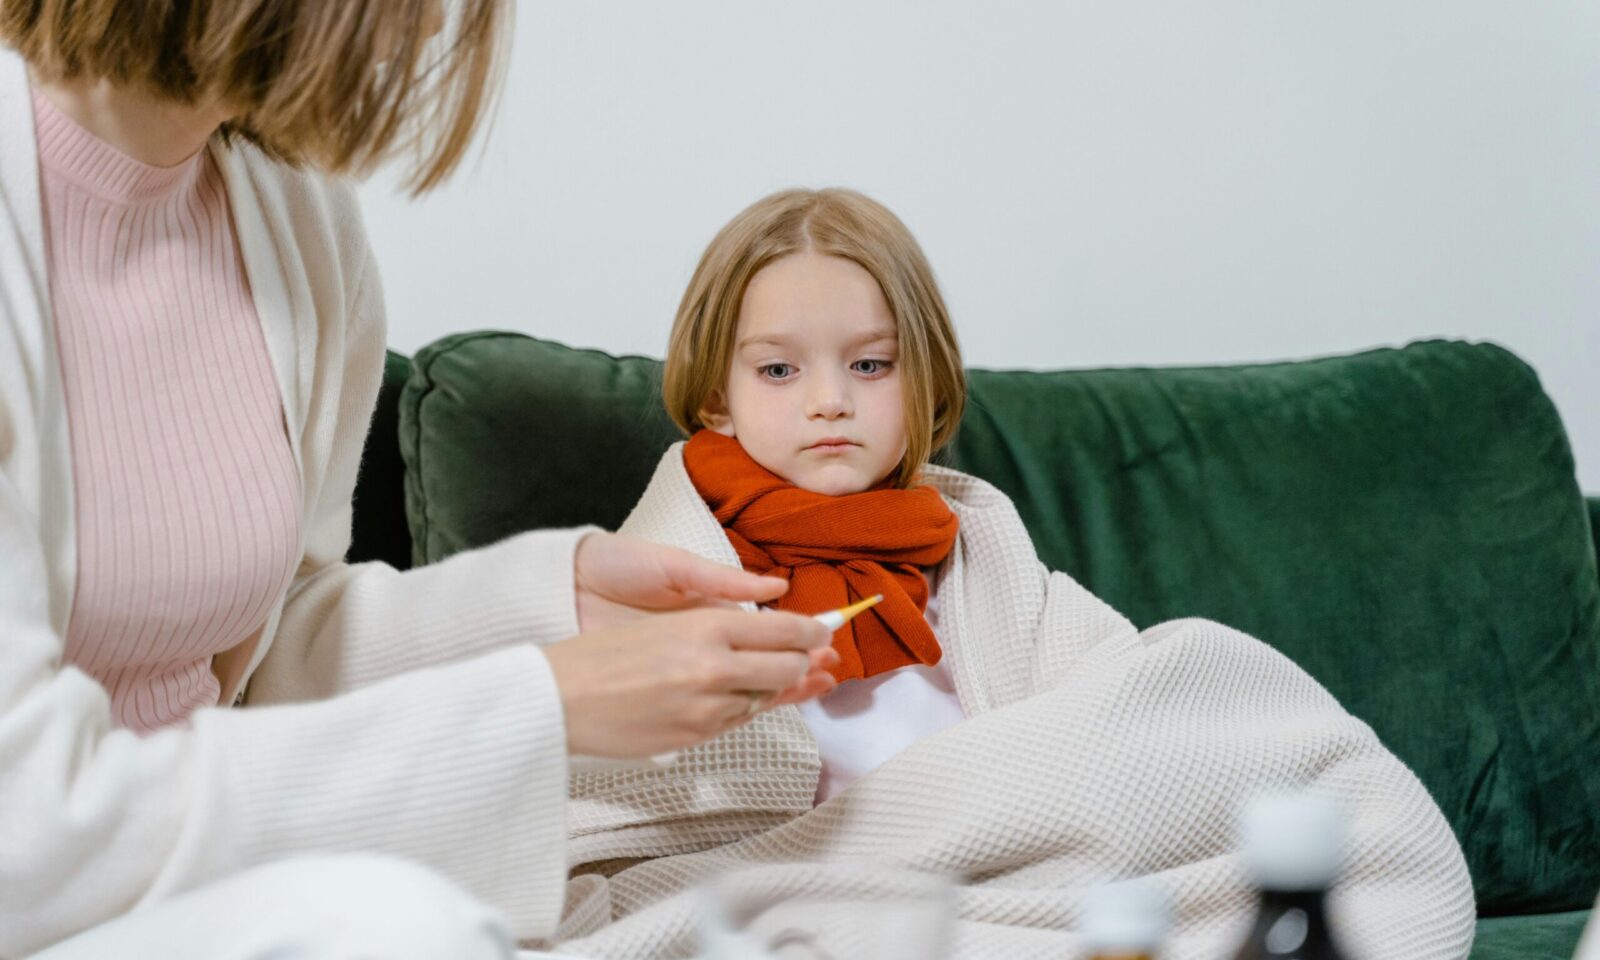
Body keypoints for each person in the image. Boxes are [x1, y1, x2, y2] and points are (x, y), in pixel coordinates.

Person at [0, 3, 840, 957]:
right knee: (406, 928)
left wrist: (553, 609)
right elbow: (25, 832)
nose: (441, 19)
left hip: (177, 890)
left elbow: (270, 652)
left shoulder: (291, 212)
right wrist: (535, 707)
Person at [550, 188, 1477, 958]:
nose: (830, 400)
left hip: (1012, 888)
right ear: (719, 391)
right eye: (781, 370)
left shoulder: (976, 547)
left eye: (871, 364)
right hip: (816, 900)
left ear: (924, 381)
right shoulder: (657, 581)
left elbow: (1122, 722)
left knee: (1255, 726)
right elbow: (603, 816)